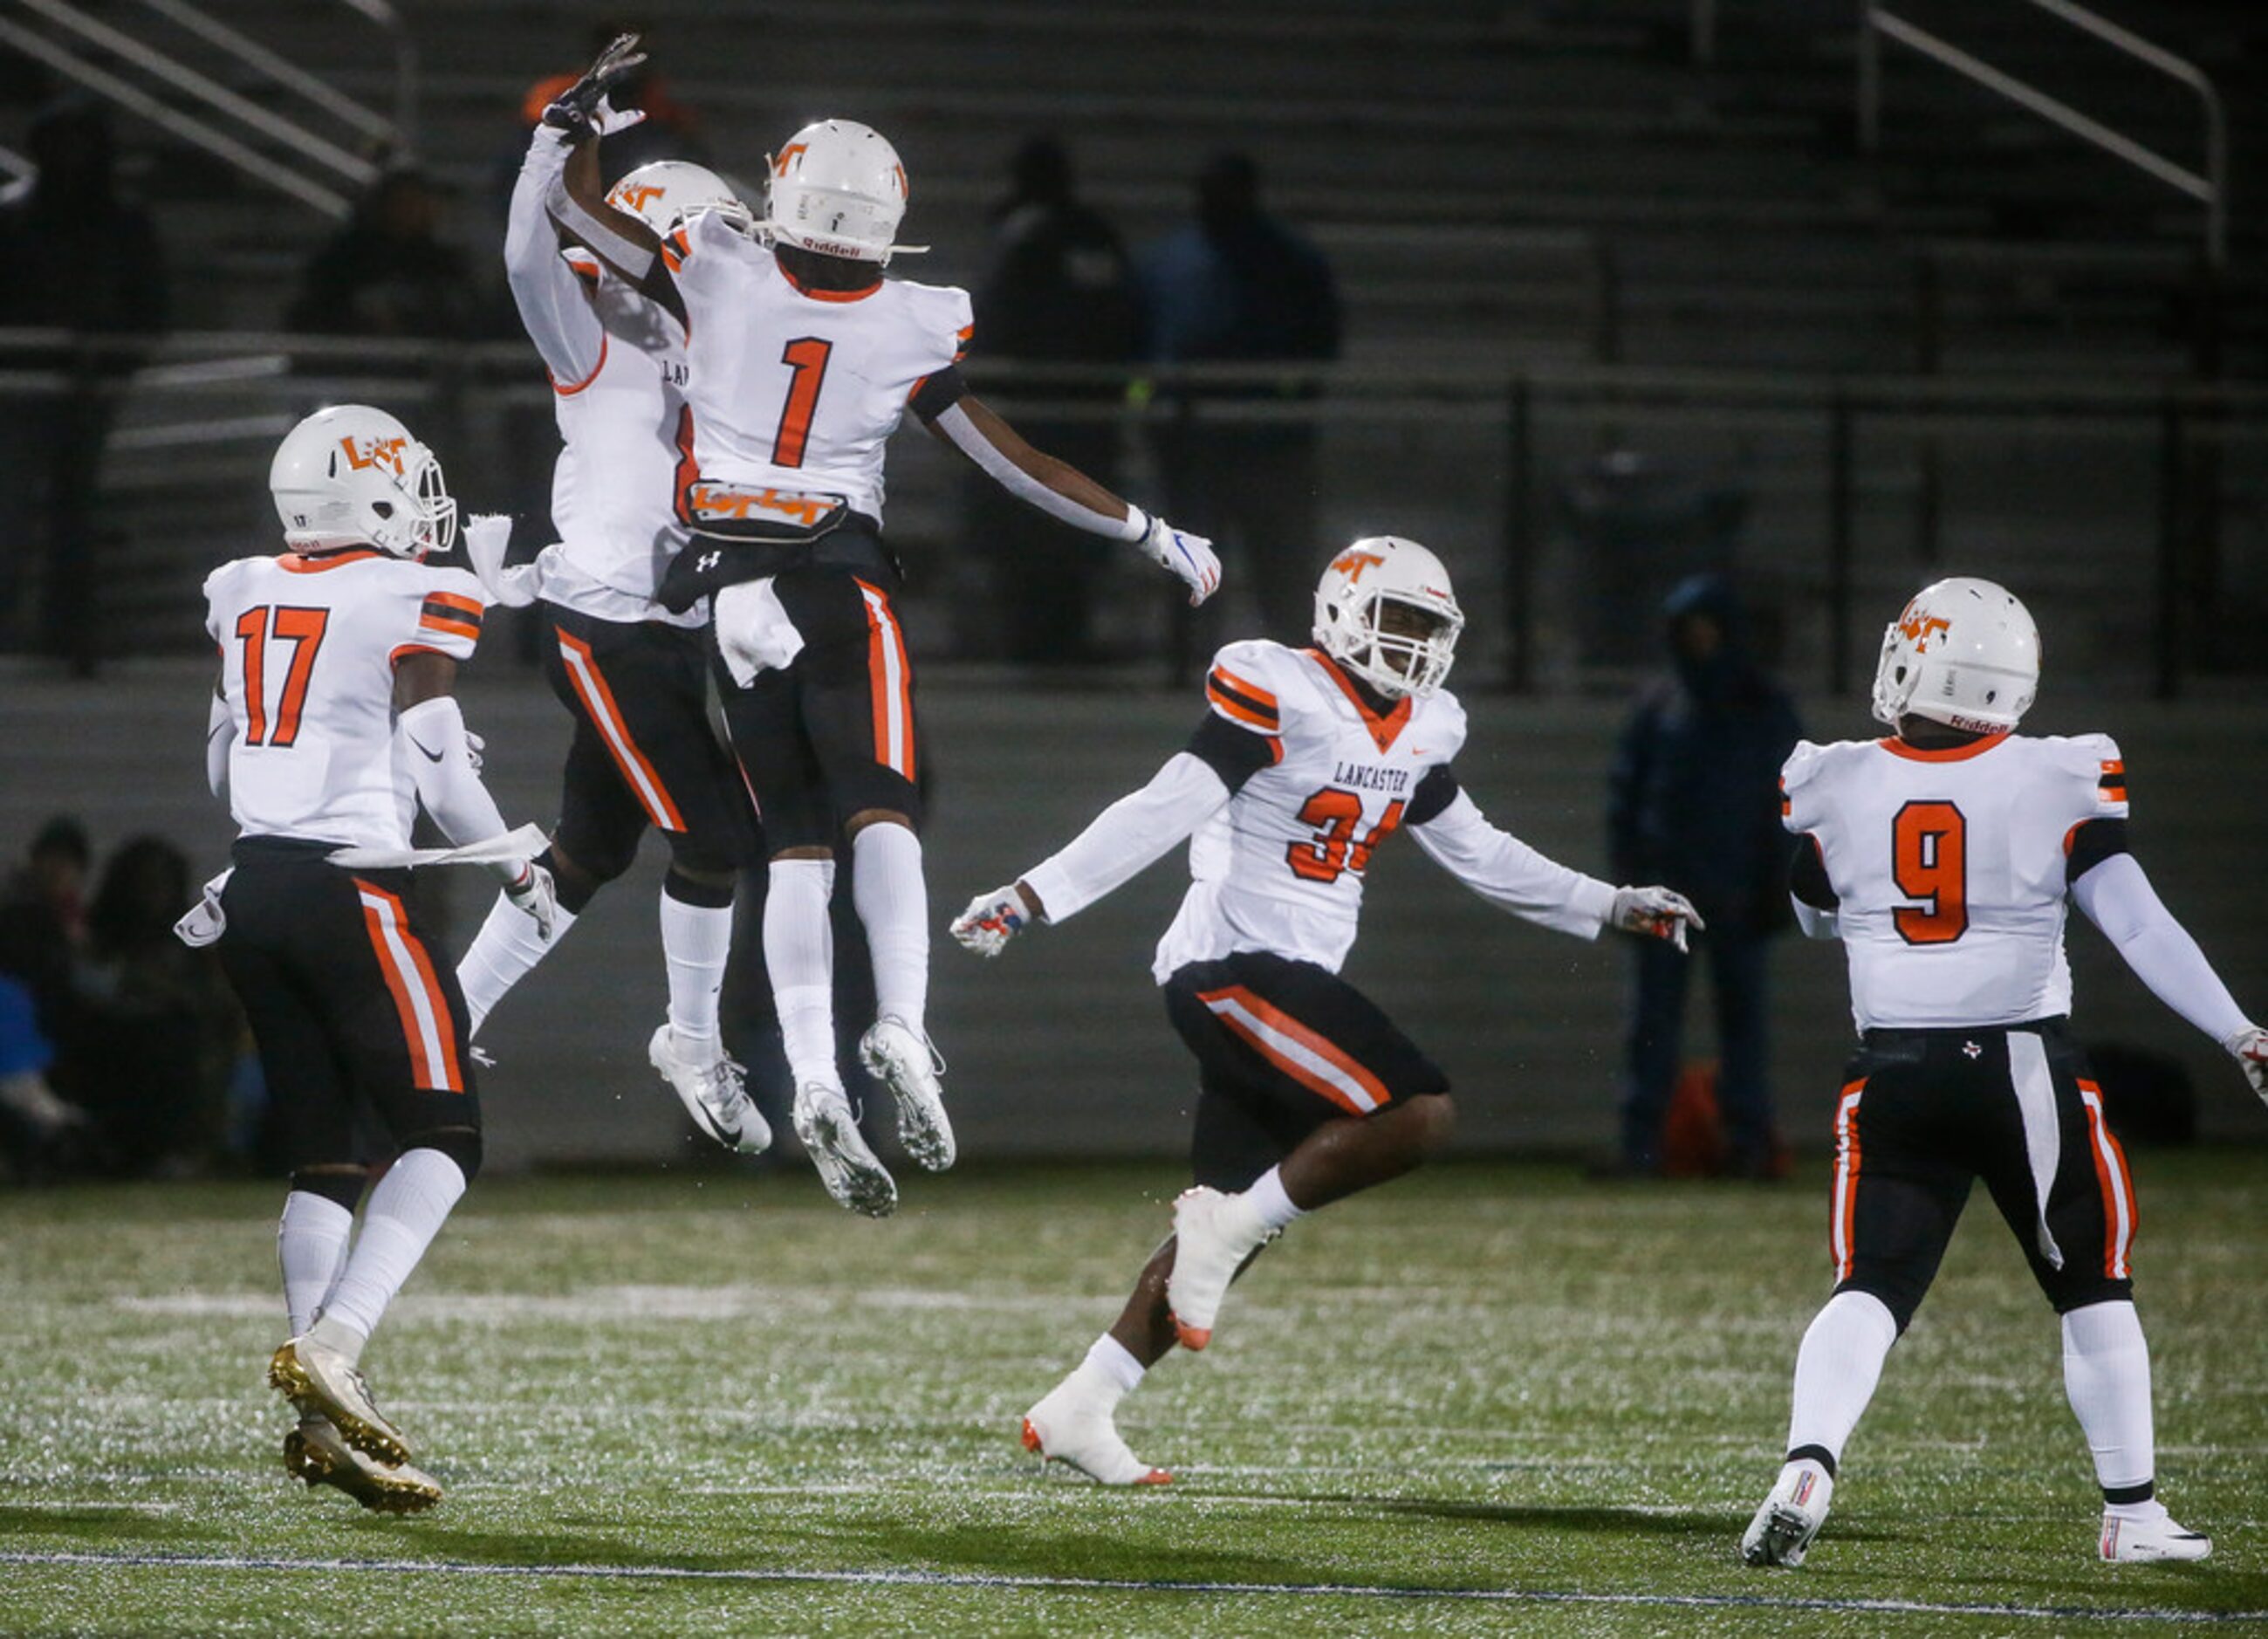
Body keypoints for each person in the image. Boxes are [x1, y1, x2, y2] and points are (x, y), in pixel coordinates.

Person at [545, 37, 1220, 1217]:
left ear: (786, 194)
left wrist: (579, 122)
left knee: (792, 845)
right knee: (882, 811)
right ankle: (900, 1026)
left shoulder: (713, 267)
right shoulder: (912, 322)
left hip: (727, 599)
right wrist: (1147, 533)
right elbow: (1012, 462)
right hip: (832, 578)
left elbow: (575, 213)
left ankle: (810, 1070)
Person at [950, 537, 1703, 1484]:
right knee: (1414, 1112)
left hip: (1279, 979)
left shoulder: (1425, 726)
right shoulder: (1279, 689)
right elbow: (1166, 803)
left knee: (1230, 1227)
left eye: (1431, 627)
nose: (1415, 644)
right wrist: (1034, 895)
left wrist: (1605, 901)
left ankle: (1082, 1406)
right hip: (1233, 966)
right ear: (1341, 611)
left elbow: (1481, 850)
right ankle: (1218, 1234)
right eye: (1398, 620)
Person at [1742, 576, 2268, 1569]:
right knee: (2092, 1287)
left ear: (1920, 661)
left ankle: (1808, 1460)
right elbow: (2137, 923)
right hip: (2022, 1064)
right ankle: (2133, 1512)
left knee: (1870, 1283)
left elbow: (1812, 910)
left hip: (1888, 1069)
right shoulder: (2059, 775)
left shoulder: (1836, 777)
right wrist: (2239, 1031)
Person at [193, 404, 554, 1514]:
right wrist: (511, 856)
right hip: (354, 887)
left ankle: (317, 1413)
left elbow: (226, 765)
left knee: (329, 1155)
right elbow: (436, 762)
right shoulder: (414, 592)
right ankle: (339, 1345)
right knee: (444, 1132)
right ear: (377, 497)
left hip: (253, 887)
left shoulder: (240, 587)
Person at [454, 103, 765, 1156]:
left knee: (588, 848)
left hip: (669, 631)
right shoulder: (588, 332)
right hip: (602, 623)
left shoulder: (721, 356)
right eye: (713, 243)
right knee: (718, 838)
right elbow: (522, 253)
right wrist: (557, 141)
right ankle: (689, 1036)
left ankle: (443, 1024)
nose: (728, 265)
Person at [1606, 574, 1803, 1177]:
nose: (1698, 641)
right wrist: (1626, 887)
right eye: (1687, 631)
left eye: (1706, 628)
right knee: (1651, 1028)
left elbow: (1791, 803)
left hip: (1741, 893)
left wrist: (1779, 886)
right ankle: (1642, 1149)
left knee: (1742, 1028)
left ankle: (1747, 1145)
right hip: (1667, 896)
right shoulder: (1658, 706)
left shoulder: (1763, 706)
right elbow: (1625, 800)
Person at [1138, 152, 1338, 658]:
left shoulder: (1290, 262)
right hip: (1191, 448)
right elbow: (1142, 342)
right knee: (1190, 567)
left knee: (1283, 573)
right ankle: (1188, 669)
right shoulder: (1171, 261)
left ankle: (1298, 673)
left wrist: (1284, 403)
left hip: (1270, 446)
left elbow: (1321, 345)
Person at [0, 99, 168, 673]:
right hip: (17, 384)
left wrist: (114, 360)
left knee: (76, 514)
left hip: (92, 388)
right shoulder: (13, 216)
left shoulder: (122, 222)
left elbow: (149, 306)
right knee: (9, 509)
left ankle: (69, 635)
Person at [970, 137, 1141, 663]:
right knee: (1069, 525)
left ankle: (1035, 642)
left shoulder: (1025, 237)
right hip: (1086, 417)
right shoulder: (1094, 236)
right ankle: (1054, 638)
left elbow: (992, 322)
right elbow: (1127, 322)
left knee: (1034, 531)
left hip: (1032, 417)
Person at [285, 167, 483, 341]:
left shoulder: (443, 262)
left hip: (422, 369)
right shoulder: (344, 257)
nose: (411, 210)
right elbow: (312, 314)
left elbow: (465, 317)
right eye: (402, 201)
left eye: (418, 202)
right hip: (352, 365)